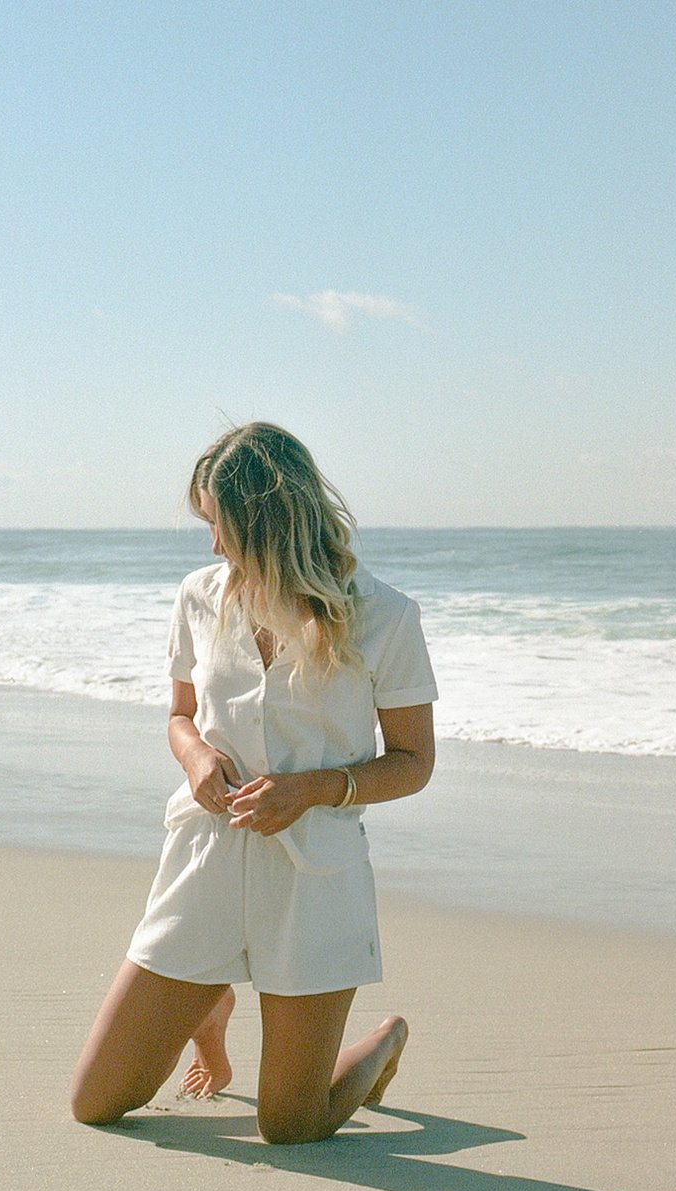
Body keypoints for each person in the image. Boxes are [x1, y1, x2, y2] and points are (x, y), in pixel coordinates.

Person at [70, 423, 437, 1144]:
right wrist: (197, 757)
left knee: (291, 1125)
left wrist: (313, 788)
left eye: (221, 525)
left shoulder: (384, 615)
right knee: (96, 1101)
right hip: (204, 860)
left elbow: (414, 760)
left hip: (314, 879)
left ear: (269, 521)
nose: (212, 546)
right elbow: (180, 715)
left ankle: (383, 1041)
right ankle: (208, 1001)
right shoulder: (199, 596)